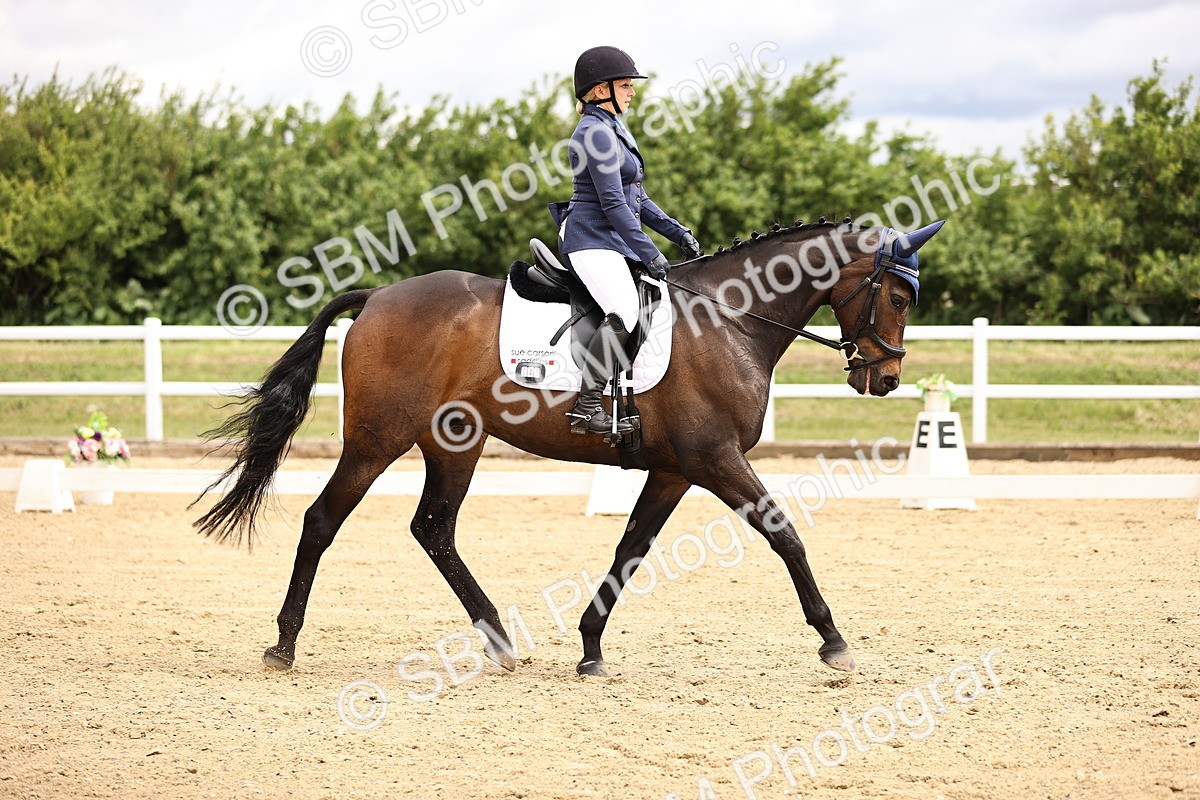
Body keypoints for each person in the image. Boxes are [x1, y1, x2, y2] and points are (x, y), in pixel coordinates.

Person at [554, 45, 702, 436]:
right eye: (625, 85)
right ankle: (587, 408)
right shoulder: (595, 133)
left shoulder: (613, 128)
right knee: (624, 309)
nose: (632, 91)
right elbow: (613, 204)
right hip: (590, 238)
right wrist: (650, 253)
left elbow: (638, 197)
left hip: (608, 239)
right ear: (600, 90)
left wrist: (677, 232)